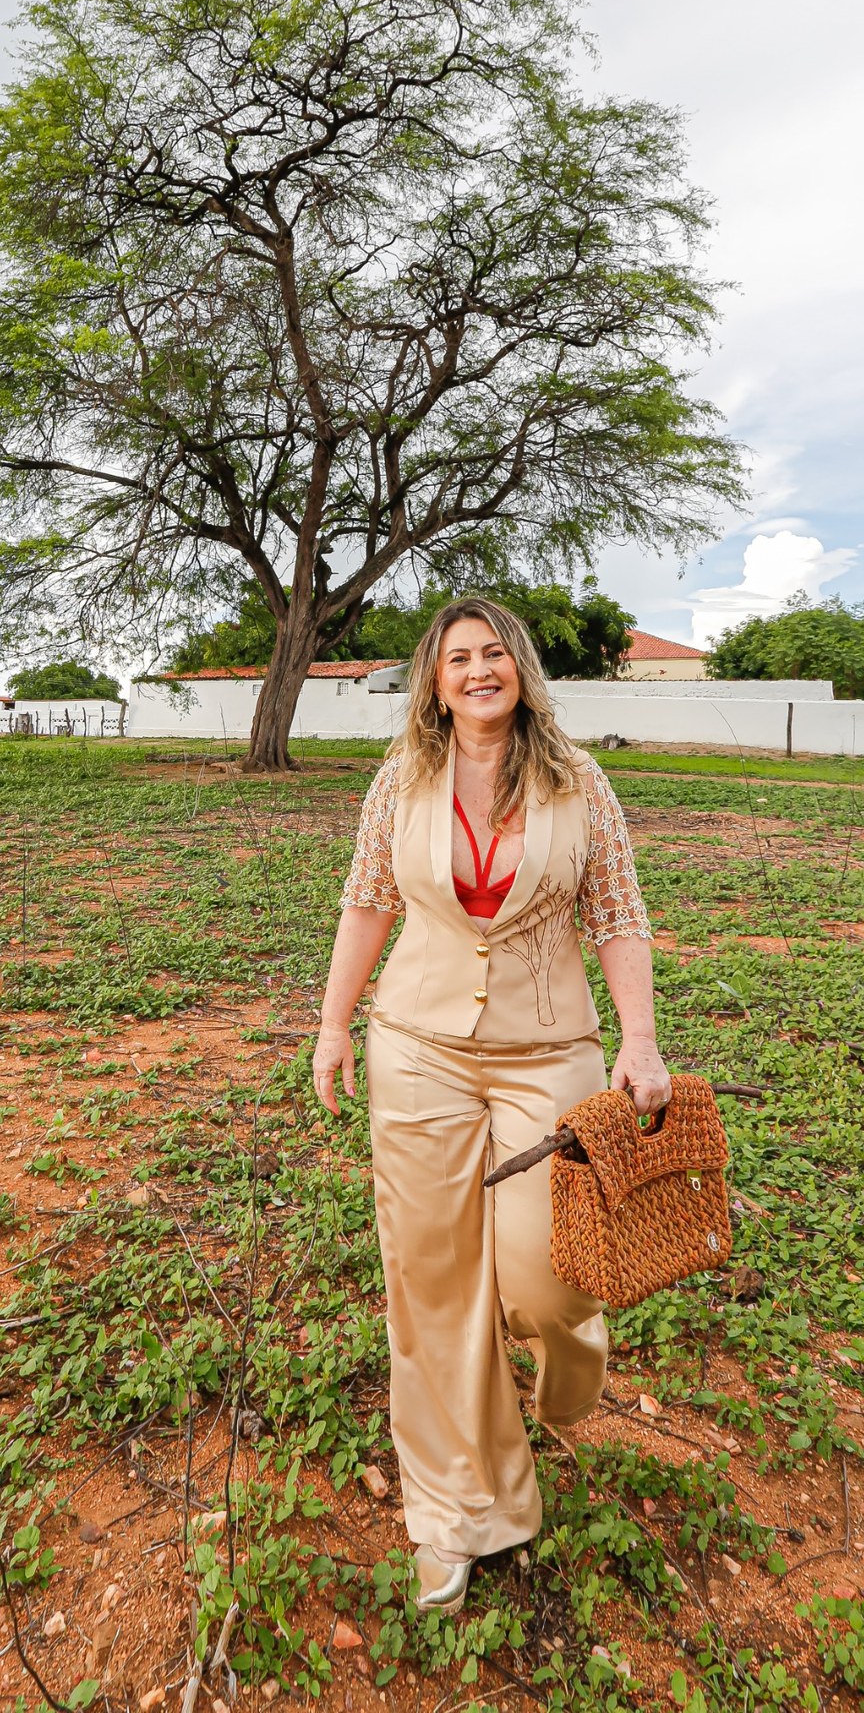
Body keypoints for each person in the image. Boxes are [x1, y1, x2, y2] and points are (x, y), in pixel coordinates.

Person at [313, 597, 668, 1614]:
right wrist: (336, 1026)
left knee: (547, 1272)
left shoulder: (577, 781)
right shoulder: (403, 779)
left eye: (495, 653)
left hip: (548, 1051)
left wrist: (638, 1039)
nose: (478, 670)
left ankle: (571, 1349)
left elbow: (618, 914)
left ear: (520, 672)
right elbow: (367, 900)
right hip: (417, 1048)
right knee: (430, 1283)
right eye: (458, 657)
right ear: (433, 681)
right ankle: (460, 1510)